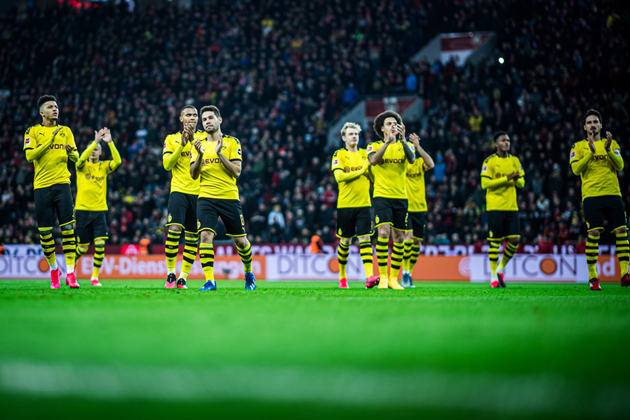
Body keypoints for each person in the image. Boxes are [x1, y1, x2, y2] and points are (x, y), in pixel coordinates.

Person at [190, 105, 256, 291]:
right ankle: (210, 281)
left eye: (210, 118)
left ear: (219, 120)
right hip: (206, 196)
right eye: (204, 119)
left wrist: (219, 154)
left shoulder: (232, 142)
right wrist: (200, 156)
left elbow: (237, 171)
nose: (207, 122)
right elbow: (193, 174)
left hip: (228, 196)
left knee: (241, 241)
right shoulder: (198, 144)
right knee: (205, 236)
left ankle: (249, 273)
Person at [23, 95, 80, 289]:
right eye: (50, 107)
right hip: (42, 186)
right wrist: (50, 141)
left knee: (68, 229)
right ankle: (54, 270)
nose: (55, 109)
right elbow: (30, 156)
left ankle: (71, 273)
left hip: (63, 184)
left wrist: (71, 152)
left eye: (56, 106)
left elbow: (76, 157)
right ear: (42, 112)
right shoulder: (33, 131)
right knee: (45, 232)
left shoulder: (66, 131)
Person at [570, 109, 628, 290]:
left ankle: (625, 273)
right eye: (589, 122)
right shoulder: (578, 146)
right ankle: (593, 277)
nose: (592, 125)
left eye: (595, 122)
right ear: (584, 127)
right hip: (591, 195)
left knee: (622, 230)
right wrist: (590, 153)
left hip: (613, 193)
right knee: (594, 233)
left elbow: (620, 166)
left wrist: (608, 150)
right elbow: (576, 170)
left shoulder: (612, 143)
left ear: (601, 125)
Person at [367, 110, 415, 290]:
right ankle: (383, 277)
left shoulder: (405, 145)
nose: (392, 126)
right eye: (389, 124)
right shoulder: (374, 146)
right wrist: (387, 143)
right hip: (382, 196)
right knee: (383, 234)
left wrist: (403, 141)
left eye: (395, 123)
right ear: (382, 128)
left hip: (401, 197)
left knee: (400, 238)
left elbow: (412, 159)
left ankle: (394, 278)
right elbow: (373, 161)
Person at [162, 106, 207, 289]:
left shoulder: (205, 137)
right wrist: (181, 144)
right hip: (179, 190)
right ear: (181, 119)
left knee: (192, 237)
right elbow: (167, 165)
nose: (192, 118)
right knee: (174, 230)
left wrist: (194, 141)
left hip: (200, 193)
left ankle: (183, 278)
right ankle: (171, 274)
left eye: (195, 115)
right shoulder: (171, 139)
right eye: (188, 115)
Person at [331, 122, 379, 289]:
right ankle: (342, 278)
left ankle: (369, 276)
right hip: (345, 205)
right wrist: (362, 170)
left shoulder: (366, 154)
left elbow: (373, 178)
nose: (354, 137)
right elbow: (339, 177)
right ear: (344, 137)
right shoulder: (339, 154)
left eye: (356, 134)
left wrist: (372, 170)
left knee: (365, 238)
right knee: (345, 241)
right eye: (351, 134)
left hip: (364, 204)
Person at [74, 128, 122, 286]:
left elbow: (118, 161)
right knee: (82, 248)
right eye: (92, 149)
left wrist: (110, 142)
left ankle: (94, 277)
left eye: (96, 149)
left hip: (100, 211)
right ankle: (70, 267)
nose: (93, 151)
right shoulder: (81, 166)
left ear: (101, 153)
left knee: (100, 245)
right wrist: (95, 142)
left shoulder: (104, 166)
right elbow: (81, 159)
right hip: (82, 210)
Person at [480, 131, 525, 288]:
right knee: (495, 242)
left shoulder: (515, 160)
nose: (507, 143)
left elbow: (522, 184)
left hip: (511, 206)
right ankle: (493, 277)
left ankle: (500, 269)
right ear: (496, 144)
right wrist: (507, 178)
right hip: (495, 206)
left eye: (508, 140)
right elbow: (485, 184)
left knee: (515, 240)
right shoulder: (489, 161)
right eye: (503, 140)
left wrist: (516, 178)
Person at [401, 133, 434, 288]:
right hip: (405, 207)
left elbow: (431, 164)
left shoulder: (420, 163)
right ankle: (404, 272)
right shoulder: (401, 164)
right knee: (408, 238)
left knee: (417, 242)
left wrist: (418, 146)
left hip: (420, 207)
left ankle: (408, 273)